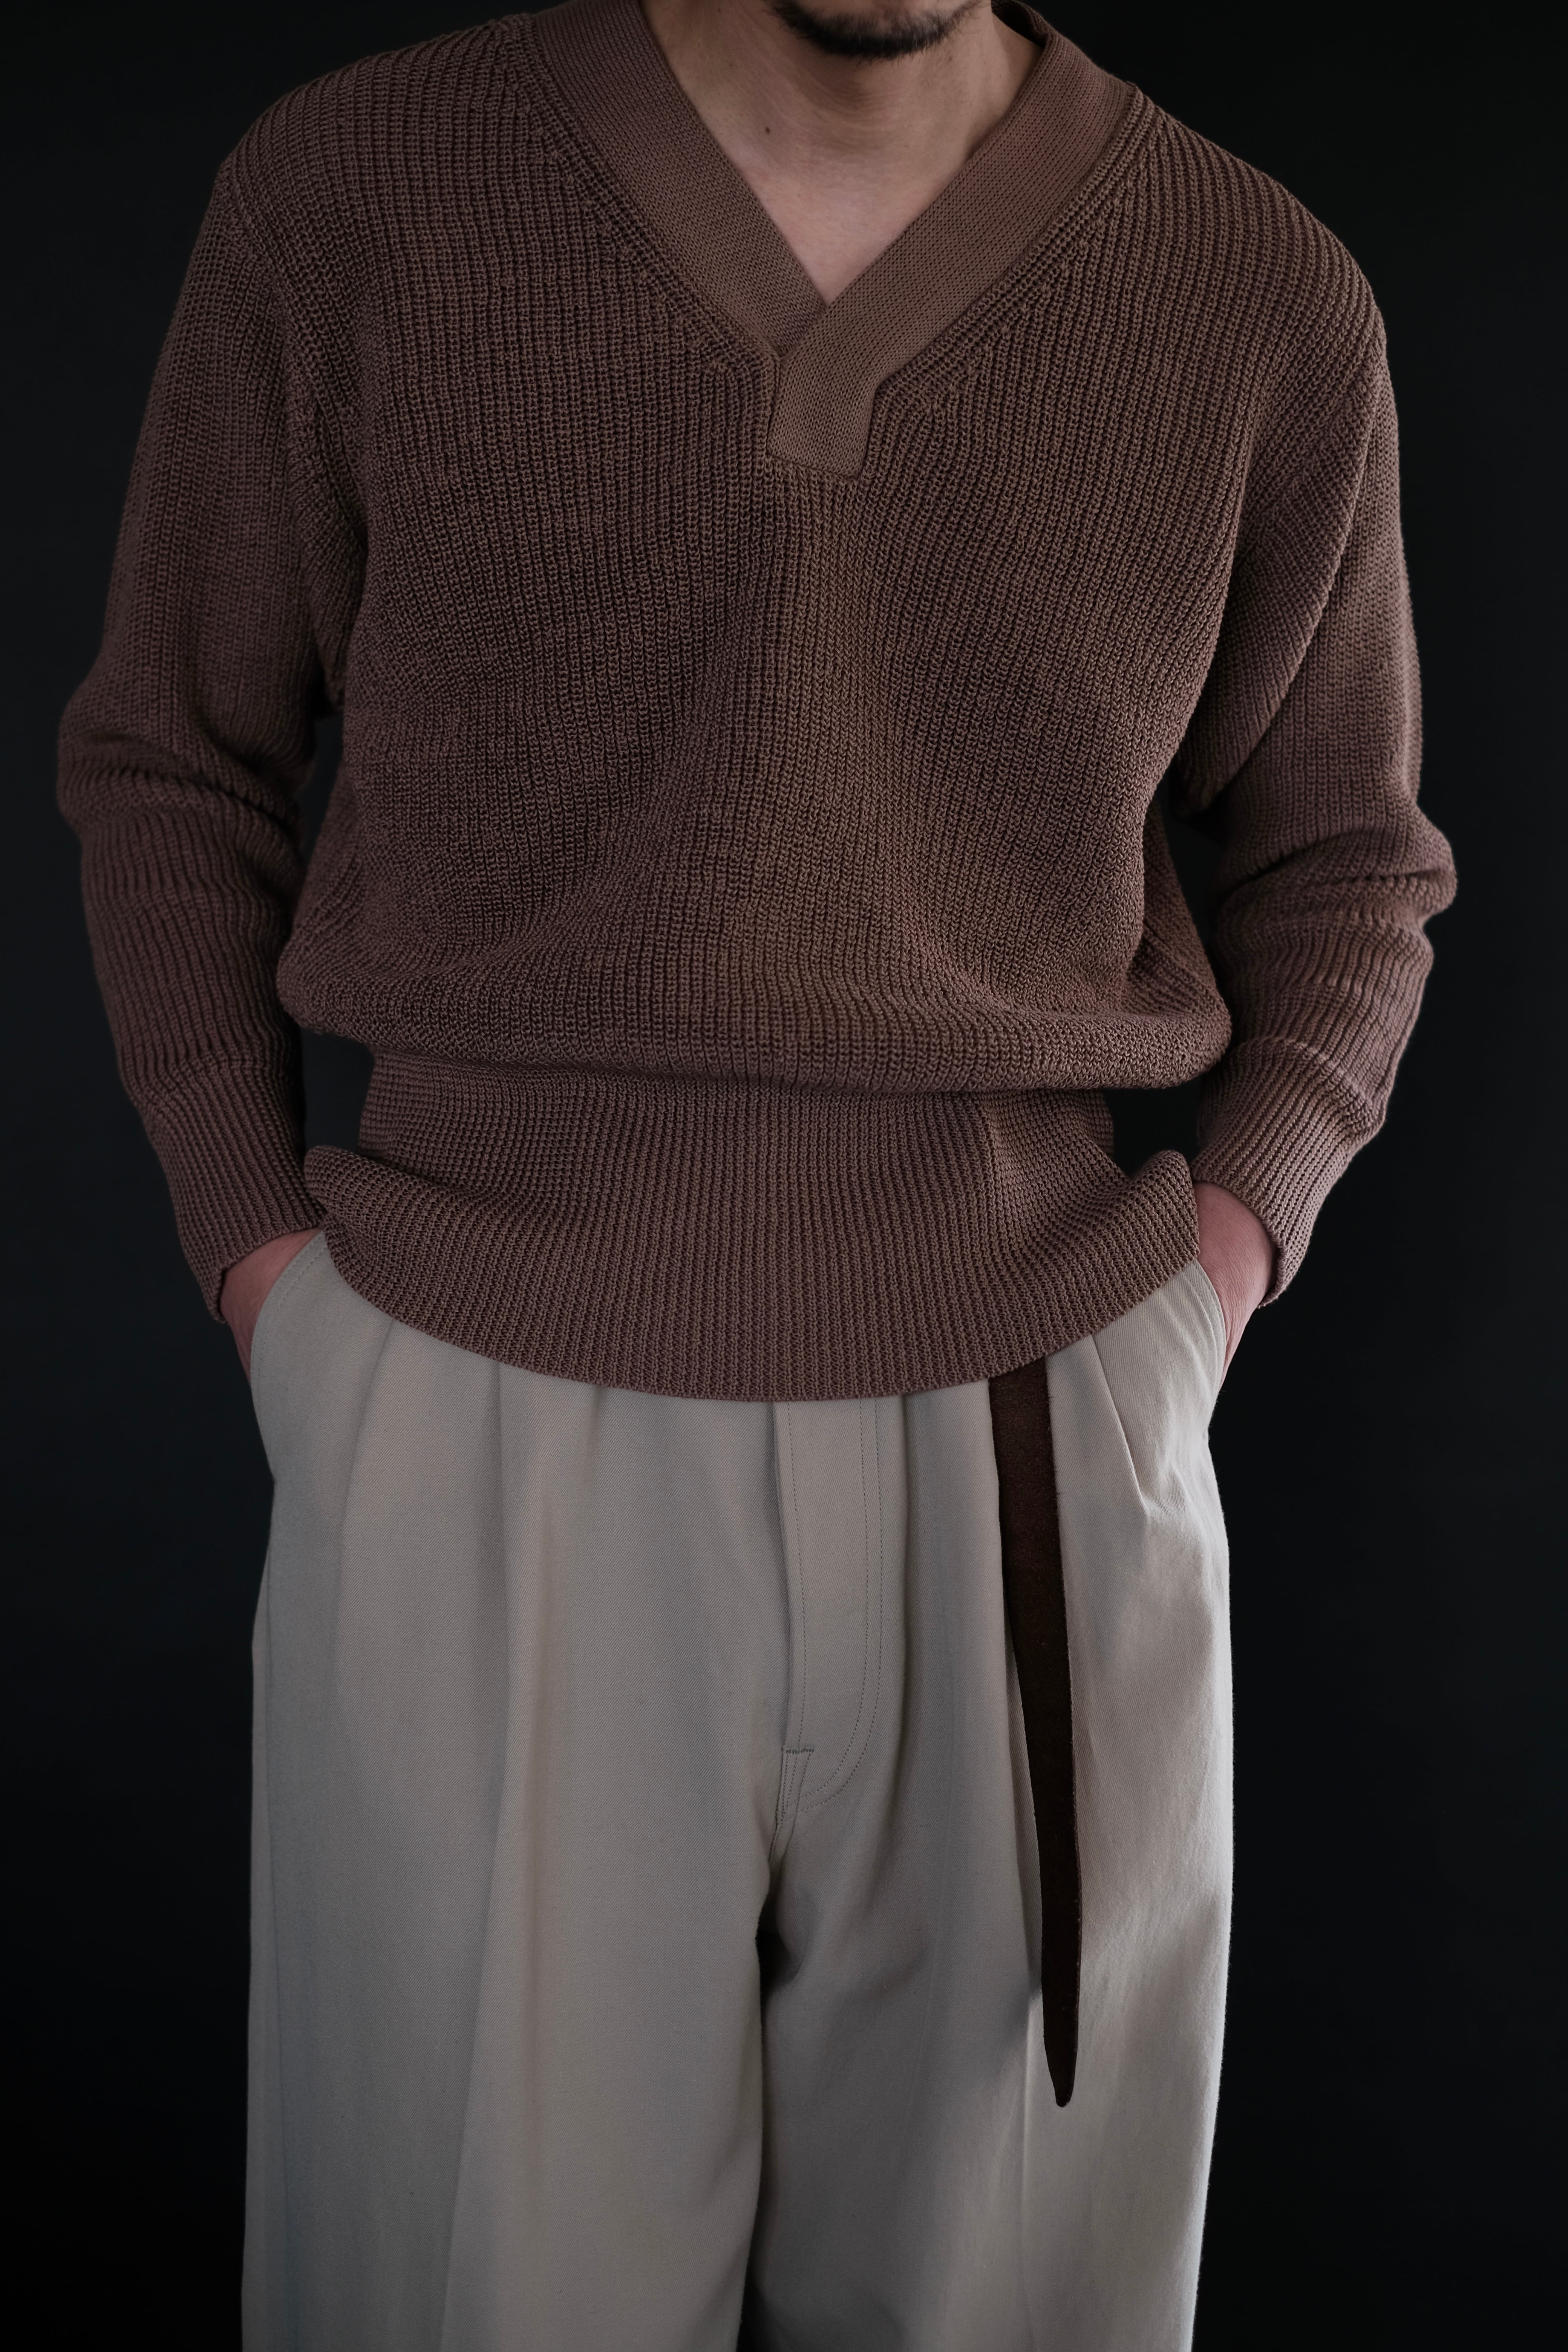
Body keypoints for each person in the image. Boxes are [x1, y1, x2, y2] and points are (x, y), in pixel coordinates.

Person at [57, 0, 1456, 2343]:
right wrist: (269, 1275)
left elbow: (1351, 865)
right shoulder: (358, 201)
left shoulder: (1255, 294)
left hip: (1038, 1431)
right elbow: (173, 765)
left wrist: (1204, 1289)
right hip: (481, 1407)